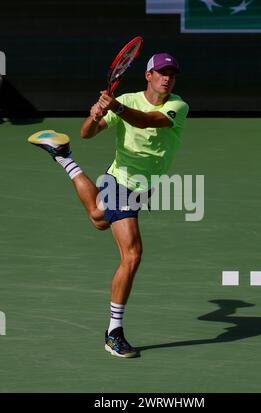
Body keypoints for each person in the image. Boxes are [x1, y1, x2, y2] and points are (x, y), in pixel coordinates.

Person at [28, 52, 189, 358]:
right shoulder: (127, 99)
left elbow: (145, 120)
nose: (167, 78)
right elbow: (87, 133)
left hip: (142, 187)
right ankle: (114, 333)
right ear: (149, 76)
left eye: (172, 73)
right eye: (162, 72)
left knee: (99, 218)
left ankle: (63, 156)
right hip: (121, 182)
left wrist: (114, 105)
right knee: (132, 255)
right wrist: (96, 113)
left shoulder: (177, 106)